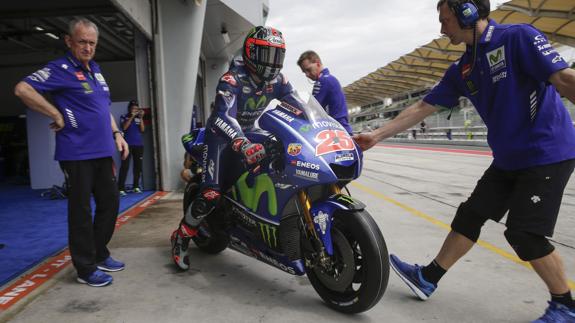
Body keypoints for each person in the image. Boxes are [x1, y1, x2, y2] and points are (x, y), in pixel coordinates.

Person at [353, 0, 575, 321]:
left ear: (468, 13)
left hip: (546, 152)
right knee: (470, 215)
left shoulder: (517, 38)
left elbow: (565, 80)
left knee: (524, 233)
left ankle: (565, 306)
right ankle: (428, 277)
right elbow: (422, 107)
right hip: (508, 158)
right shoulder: (462, 68)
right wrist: (376, 135)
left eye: (445, 20)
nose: (442, 29)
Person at [14, 18, 128, 287]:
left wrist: (117, 134)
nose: (88, 48)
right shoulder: (60, 69)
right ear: (69, 41)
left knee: (110, 203)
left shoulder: (96, 70)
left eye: (92, 43)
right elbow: (22, 89)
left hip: (103, 151)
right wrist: (55, 112)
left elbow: (104, 108)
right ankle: (85, 268)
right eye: (82, 42)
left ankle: (99, 252)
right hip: (76, 153)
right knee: (80, 212)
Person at [170, 26, 295, 270]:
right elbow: (222, 115)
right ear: (251, 53)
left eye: (276, 56)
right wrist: (240, 142)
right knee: (211, 194)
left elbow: (298, 106)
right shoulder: (232, 79)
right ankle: (181, 237)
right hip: (221, 137)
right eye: (266, 55)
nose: (272, 63)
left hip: (249, 132)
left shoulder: (279, 80)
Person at [297, 50, 352, 134]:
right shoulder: (330, 78)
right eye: (304, 72)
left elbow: (311, 110)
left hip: (337, 132)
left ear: (318, 63)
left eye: (308, 69)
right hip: (342, 130)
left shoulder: (323, 81)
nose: (307, 74)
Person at [118, 100, 145, 196]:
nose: (135, 109)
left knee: (138, 167)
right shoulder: (124, 117)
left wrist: (141, 118)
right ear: (129, 108)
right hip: (127, 145)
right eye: (133, 108)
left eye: (136, 108)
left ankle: (136, 186)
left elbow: (142, 130)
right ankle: (120, 188)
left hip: (138, 145)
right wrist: (132, 116)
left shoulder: (138, 118)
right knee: (124, 166)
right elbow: (124, 128)